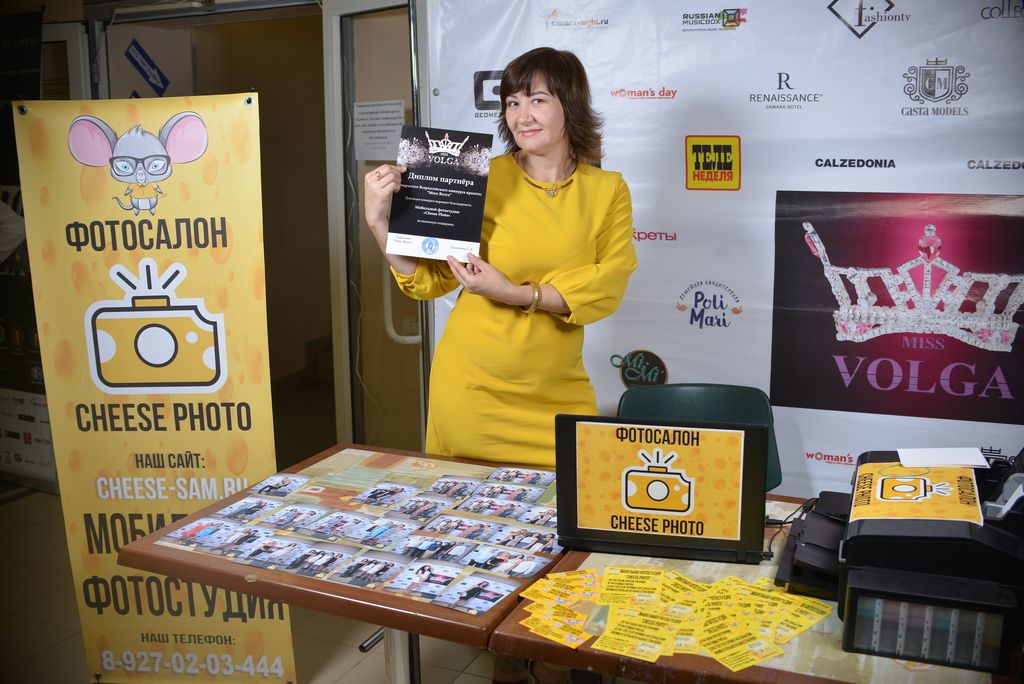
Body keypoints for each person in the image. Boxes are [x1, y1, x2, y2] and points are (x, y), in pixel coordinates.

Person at [363, 46, 636, 468]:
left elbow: (608, 285)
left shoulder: (607, 190)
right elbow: (428, 280)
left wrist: (515, 293)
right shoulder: (478, 177)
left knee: (570, 503)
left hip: (557, 395)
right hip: (472, 392)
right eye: (512, 103)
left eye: (537, 100)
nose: (522, 116)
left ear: (571, 105)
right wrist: (380, 223)